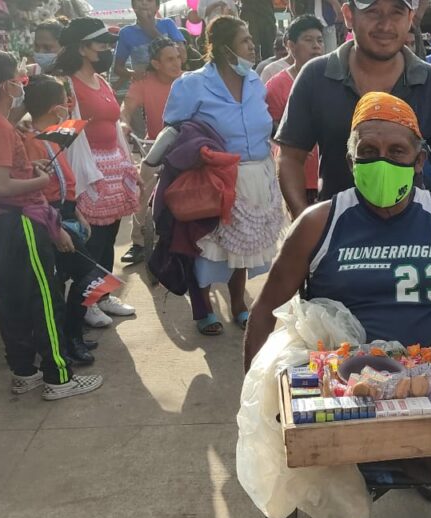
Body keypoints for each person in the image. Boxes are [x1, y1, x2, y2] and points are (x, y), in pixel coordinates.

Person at [244, 92, 431, 518]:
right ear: (350, 160)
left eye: (396, 151)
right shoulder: (319, 223)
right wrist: (255, 398)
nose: (382, 162)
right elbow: (265, 311)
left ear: (419, 159)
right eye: (368, 152)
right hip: (346, 398)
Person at [0, 49, 104, 400]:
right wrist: (39, 181)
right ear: (4, 86)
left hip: (1, 220)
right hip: (21, 220)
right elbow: (1, 184)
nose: (22, 85)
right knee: (45, 300)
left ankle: (24, 371)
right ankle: (59, 377)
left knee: (13, 300)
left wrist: (29, 171)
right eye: (19, 79)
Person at [275, 0, 431, 218]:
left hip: (413, 231)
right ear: (349, 15)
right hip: (337, 230)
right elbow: (290, 157)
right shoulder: (315, 76)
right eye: (373, 12)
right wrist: (304, 219)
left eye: (396, 13)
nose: (385, 25)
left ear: (409, 18)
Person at [163, 15, 284, 334]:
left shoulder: (254, 81)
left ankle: (239, 305)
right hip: (214, 178)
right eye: (245, 41)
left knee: (241, 245)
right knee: (207, 245)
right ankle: (204, 309)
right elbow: (173, 128)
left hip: (256, 176)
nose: (252, 47)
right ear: (223, 48)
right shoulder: (192, 84)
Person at [51, 17, 139, 328]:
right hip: (88, 172)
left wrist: (127, 166)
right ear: (82, 48)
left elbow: (113, 124)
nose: (106, 50)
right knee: (92, 241)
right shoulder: (66, 86)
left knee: (110, 237)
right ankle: (85, 303)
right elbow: (62, 134)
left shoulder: (101, 81)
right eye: (101, 44)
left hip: (113, 169)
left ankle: (102, 296)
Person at [21, 75, 100, 365]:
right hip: (50, 218)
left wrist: (77, 212)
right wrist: (57, 228)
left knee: (77, 277)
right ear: (56, 109)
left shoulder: (52, 137)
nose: (69, 106)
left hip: (65, 213)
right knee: (89, 277)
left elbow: (64, 183)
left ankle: (71, 333)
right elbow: (36, 194)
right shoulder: (31, 143)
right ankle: (70, 338)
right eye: (65, 102)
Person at [120, 36, 183, 264]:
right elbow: (127, 107)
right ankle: (138, 243)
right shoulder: (144, 82)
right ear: (156, 64)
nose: (177, 63)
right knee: (143, 188)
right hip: (154, 146)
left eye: (178, 57)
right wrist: (124, 122)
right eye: (169, 59)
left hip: (186, 147)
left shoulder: (188, 81)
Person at [266, 15, 325, 205]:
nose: (316, 46)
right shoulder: (276, 85)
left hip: (329, 176)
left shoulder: (333, 79)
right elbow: (268, 127)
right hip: (297, 178)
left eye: (319, 40)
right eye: (308, 40)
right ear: (290, 46)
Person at [113, 0, 187, 88]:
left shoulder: (167, 24)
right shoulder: (126, 33)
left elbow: (183, 57)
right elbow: (118, 68)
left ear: (157, 7)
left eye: (149, 0)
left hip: (173, 85)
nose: (144, 2)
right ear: (133, 6)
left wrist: (150, 29)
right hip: (145, 87)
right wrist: (133, 73)